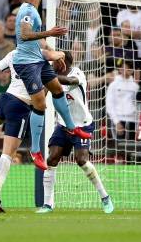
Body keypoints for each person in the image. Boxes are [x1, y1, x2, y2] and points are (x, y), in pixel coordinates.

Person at [0, 48, 64, 212]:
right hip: (20, 105)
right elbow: (43, 91)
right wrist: (59, 56)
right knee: (8, 153)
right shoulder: (39, 54)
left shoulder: (13, 54)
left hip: (6, 98)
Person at [11, 0, 90, 170]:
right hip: (27, 64)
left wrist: (55, 55)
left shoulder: (30, 9)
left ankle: (71, 127)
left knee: (56, 88)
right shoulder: (28, 12)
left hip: (37, 59)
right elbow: (24, 35)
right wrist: (51, 32)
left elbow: (40, 41)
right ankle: (35, 150)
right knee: (40, 104)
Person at [37, 51, 114, 214]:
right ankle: (48, 204)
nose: (51, 63)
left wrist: (47, 76)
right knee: (51, 158)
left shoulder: (77, 73)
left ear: (62, 62)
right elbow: (42, 95)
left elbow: (70, 81)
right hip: (63, 125)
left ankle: (105, 197)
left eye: (54, 61)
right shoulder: (52, 77)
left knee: (82, 160)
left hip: (82, 125)